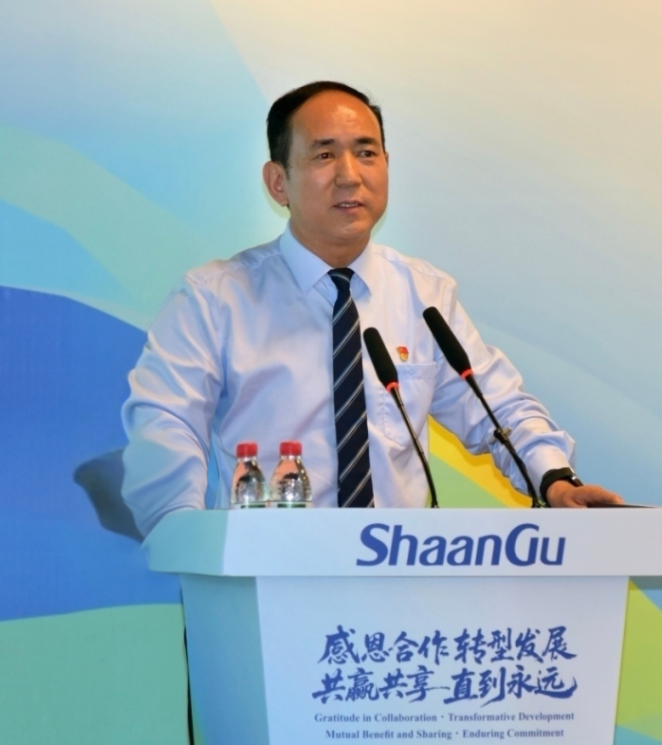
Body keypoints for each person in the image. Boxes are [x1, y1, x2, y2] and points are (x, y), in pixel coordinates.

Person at [121, 81, 621, 536]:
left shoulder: (423, 295)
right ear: (278, 182)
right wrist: (183, 537)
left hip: (396, 577)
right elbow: (165, 427)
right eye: (324, 155)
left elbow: (498, 407)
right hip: (264, 579)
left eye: (366, 153)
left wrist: (554, 479)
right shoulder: (213, 299)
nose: (350, 176)